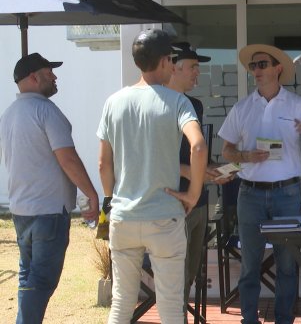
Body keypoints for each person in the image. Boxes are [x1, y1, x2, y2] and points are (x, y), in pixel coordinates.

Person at [97, 29, 207, 323]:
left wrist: (110, 199)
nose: (173, 66)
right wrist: (193, 194)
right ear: (163, 61)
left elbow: (103, 164)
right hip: (164, 216)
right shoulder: (176, 102)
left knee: (121, 303)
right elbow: (197, 145)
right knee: (171, 306)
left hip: (123, 216)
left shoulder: (114, 102)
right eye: (171, 60)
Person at [218, 44, 301, 324]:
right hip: (250, 193)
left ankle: (284, 320)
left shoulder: (296, 104)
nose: (256, 70)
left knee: (287, 265)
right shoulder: (242, 107)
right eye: (253, 66)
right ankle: (249, 320)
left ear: (278, 68)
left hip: (287, 193)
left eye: (262, 64)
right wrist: (245, 156)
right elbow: (226, 152)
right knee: (249, 264)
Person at [0, 53, 99, 324]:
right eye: (49, 72)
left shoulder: (9, 113)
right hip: (49, 210)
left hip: (21, 210)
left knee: (28, 277)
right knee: (42, 280)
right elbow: (67, 157)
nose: (55, 77)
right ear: (33, 77)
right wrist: (91, 193)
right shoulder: (46, 110)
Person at [166, 41, 232, 316]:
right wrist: (194, 172)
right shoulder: (155, 104)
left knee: (190, 275)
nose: (198, 73)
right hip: (171, 202)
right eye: (193, 67)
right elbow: (155, 159)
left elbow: (198, 153)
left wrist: (215, 170)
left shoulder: (195, 105)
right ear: (174, 66)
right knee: (174, 281)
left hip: (200, 202)